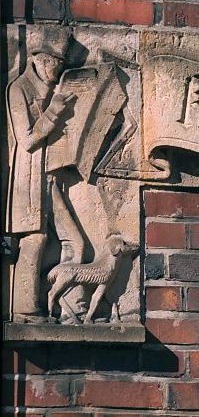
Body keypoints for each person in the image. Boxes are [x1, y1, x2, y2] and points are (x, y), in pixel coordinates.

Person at [6, 39, 85, 323]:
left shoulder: (50, 89)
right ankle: (26, 310)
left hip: (51, 177)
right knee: (35, 239)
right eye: (55, 62)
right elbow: (26, 139)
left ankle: (71, 306)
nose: (57, 68)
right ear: (38, 58)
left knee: (74, 240)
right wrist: (54, 111)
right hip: (30, 177)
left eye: (62, 64)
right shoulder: (19, 89)